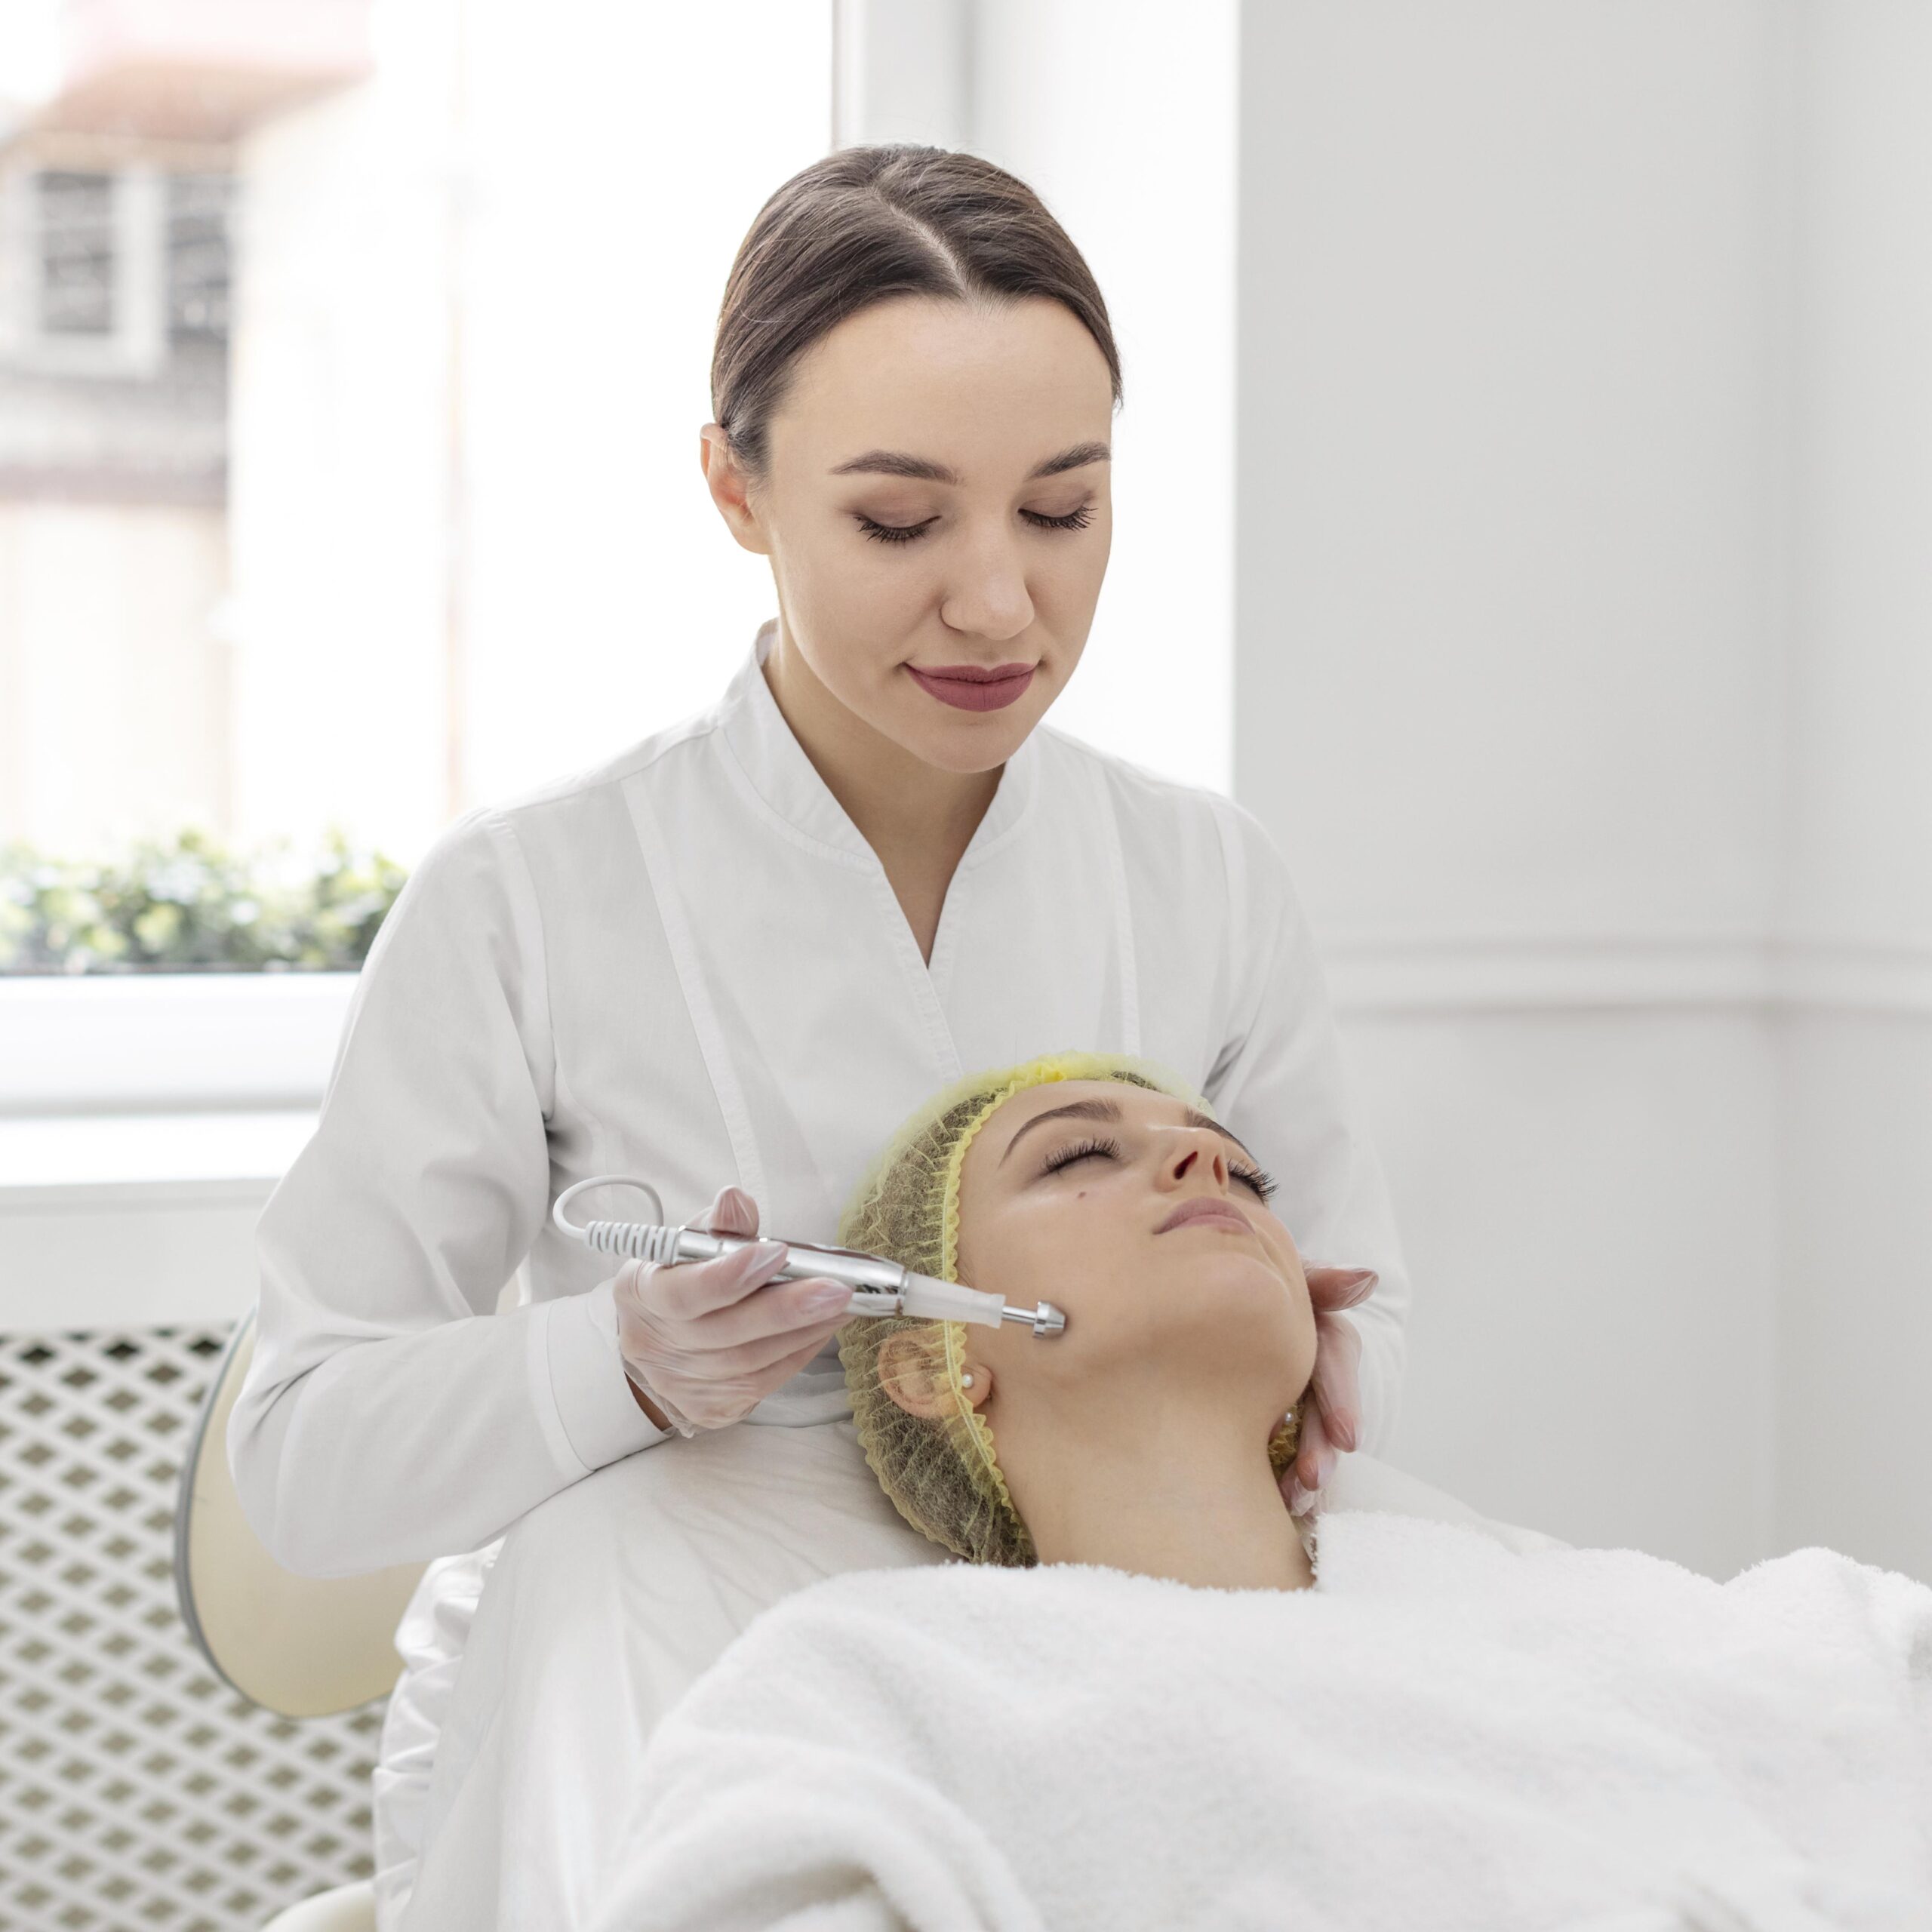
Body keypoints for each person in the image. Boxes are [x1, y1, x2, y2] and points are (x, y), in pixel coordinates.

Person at [224, 144, 1411, 1923]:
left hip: (1122, 1636)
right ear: (735, 485)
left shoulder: (1199, 875)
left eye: (1061, 509)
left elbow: (1363, 1328)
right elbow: (302, 1461)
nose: (997, 602)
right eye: (899, 523)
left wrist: (1281, 1369)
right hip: (665, 1639)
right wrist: (620, 1368)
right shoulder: (528, 896)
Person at [580, 1054, 1932, 1932]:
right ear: (933, 1359)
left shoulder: (1610, 1613)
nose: (1205, 1165)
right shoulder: (878, 1691)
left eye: (1242, 1169)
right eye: (1076, 1157)